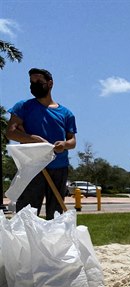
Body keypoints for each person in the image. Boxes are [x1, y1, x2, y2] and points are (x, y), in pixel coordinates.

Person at [7, 68, 77, 220]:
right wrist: (34, 139)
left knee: (56, 213)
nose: (34, 85)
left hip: (59, 166)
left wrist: (64, 144)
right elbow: (11, 132)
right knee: (27, 212)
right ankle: (25, 242)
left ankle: (54, 242)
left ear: (50, 83)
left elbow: (72, 142)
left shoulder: (66, 113)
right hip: (32, 167)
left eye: (39, 82)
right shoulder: (23, 107)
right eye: (31, 82)